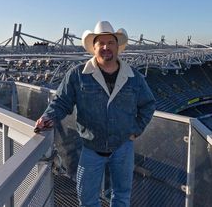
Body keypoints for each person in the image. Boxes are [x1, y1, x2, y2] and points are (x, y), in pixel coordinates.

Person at [35, 20, 156, 207]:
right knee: (87, 199)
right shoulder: (77, 75)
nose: (106, 47)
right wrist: (47, 117)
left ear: (118, 47)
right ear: (94, 47)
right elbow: (61, 102)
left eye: (111, 42)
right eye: (101, 43)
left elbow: (148, 104)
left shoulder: (134, 77)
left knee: (122, 196)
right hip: (91, 149)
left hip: (123, 147)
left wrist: (137, 129)